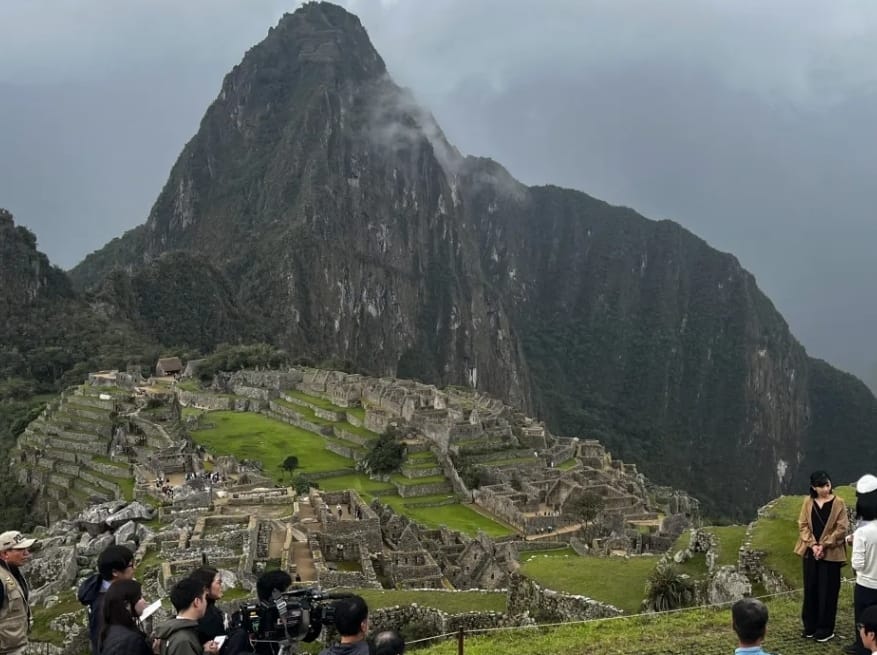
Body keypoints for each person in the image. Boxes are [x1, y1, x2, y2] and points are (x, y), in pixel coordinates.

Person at [794, 469, 849, 643]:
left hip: (831, 554)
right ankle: (809, 626)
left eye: (827, 485)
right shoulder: (807, 502)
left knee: (828, 591)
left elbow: (842, 528)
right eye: (821, 486)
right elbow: (802, 525)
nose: (826, 489)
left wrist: (824, 545)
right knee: (811, 588)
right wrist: (813, 545)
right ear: (813, 487)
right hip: (811, 553)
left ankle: (825, 628)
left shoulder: (839, 503)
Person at [78, 544, 136, 655]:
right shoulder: (103, 605)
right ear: (115, 572)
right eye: (131, 565)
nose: (134, 568)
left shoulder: (111, 592)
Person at [155, 577, 219, 655]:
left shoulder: (170, 630)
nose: (206, 603)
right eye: (205, 598)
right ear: (197, 602)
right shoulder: (183, 641)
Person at [0, 530, 37, 655]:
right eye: (21, 549)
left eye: (27, 548)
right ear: (5, 553)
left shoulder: (13, 572)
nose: (27, 553)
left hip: (16, 647)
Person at [851, 478, 877, 655]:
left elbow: (857, 564)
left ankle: (862, 649)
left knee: (863, 622)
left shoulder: (862, 532)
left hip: (866, 586)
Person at [98, 579, 152, 655]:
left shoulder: (109, 630)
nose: (144, 601)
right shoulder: (130, 642)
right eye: (139, 597)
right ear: (127, 605)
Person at [189, 567, 226, 645]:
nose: (222, 586)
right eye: (219, 582)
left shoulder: (192, 611)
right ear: (206, 588)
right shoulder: (210, 616)